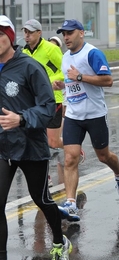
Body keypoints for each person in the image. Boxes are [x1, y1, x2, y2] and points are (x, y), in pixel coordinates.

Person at [0, 15, 72, 260]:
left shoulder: (29, 66)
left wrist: (20, 118)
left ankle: (60, 241)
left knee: (40, 198)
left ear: (10, 37)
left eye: (1, 34)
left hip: (30, 145)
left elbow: (47, 105)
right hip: (3, 147)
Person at [53, 19, 119, 222]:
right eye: (64, 34)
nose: (66, 37)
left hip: (95, 114)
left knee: (103, 156)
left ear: (81, 33)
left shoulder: (92, 53)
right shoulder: (65, 57)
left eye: (69, 33)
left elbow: (108, 80)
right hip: (73, 116)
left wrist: (80, 77)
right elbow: (71, 84)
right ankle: (70, 203)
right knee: (70, 158)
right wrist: (63, 85)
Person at [21, 19, 85, 188]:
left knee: (53, 142)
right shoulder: (24, 53)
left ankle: (74, 148)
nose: (27, 36)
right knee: (35, 140)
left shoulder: (51, 49)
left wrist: (46, 82)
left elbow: (66, 71)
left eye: (30, 32)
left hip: (52, 100)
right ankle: (45, 176)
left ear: (39, 33)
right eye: (25, 32)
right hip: (33, 103)